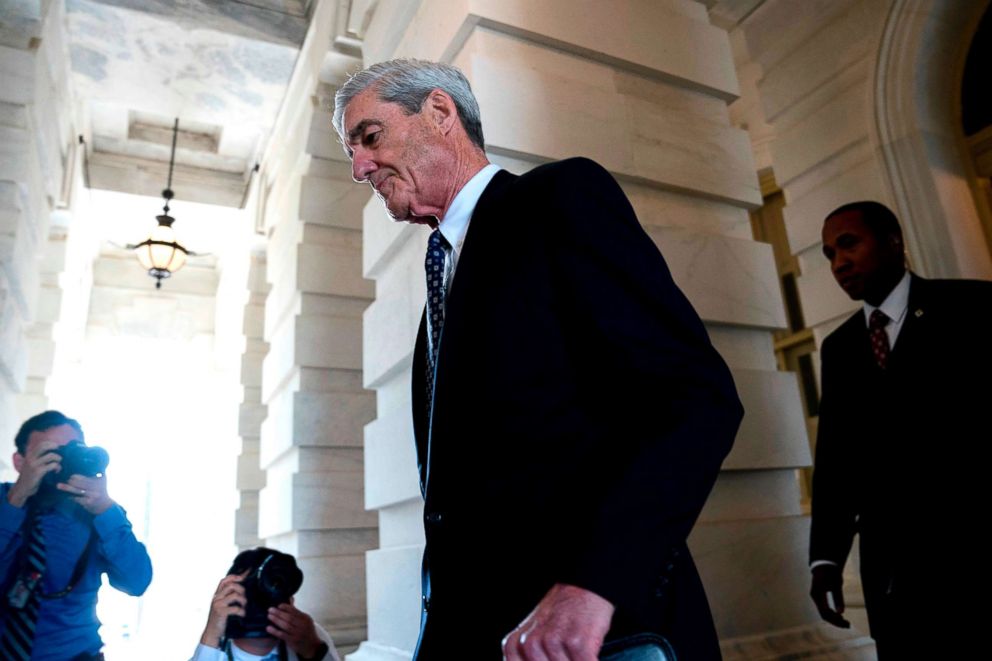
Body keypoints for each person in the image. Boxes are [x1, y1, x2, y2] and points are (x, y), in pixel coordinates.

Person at [333, 59, 743, 660]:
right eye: (352, 150)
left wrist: (593, 585)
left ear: (440, 113)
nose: (359, 167)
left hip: (594, 634)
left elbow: (695, 398)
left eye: (370, 137)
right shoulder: (440, 286)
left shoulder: (557, 200)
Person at [810, 201, 991, 657]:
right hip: (895, 579)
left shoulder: (974, 307)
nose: (839, 263)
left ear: (894, 240)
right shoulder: (840, 348)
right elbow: (836, 459)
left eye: (849, 244)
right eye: (829, 254)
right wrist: (825, 558)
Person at [0, 410, 152, 660]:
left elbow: (137, 582)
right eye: (49, 453)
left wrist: (104, 509)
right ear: (19, 461)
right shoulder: (4, 501)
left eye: (71, 451)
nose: (59, 463)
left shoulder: (99, 512)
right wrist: (17, 498)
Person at [192, 547, 340, 661]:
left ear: (290, 600)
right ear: (228, 598)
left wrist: (314, 650)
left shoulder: (308, 635)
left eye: (270, 589)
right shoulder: (213, 648)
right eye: (249, 591)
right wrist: (210, 637)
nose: (259, 601)